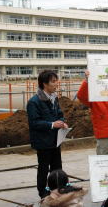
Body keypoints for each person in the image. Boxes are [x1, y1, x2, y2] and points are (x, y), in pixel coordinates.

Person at [27, 70, 68, 198]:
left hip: (55, 140)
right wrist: (52, 125)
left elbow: (60, 115)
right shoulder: (34, 102)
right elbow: (34, 123)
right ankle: (43, 193)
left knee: (57, 168)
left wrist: (62, 123)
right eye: (53, 82)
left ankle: (58, 189)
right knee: (44, 169)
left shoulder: (54, 98)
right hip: (43, 142)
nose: (56, 84)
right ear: (44, 84)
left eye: (57, 81)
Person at [77, 70, 108, 155]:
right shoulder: (95, 97)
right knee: (103, 162)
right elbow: (81, 96)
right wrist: (87, 81)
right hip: (103, 136)